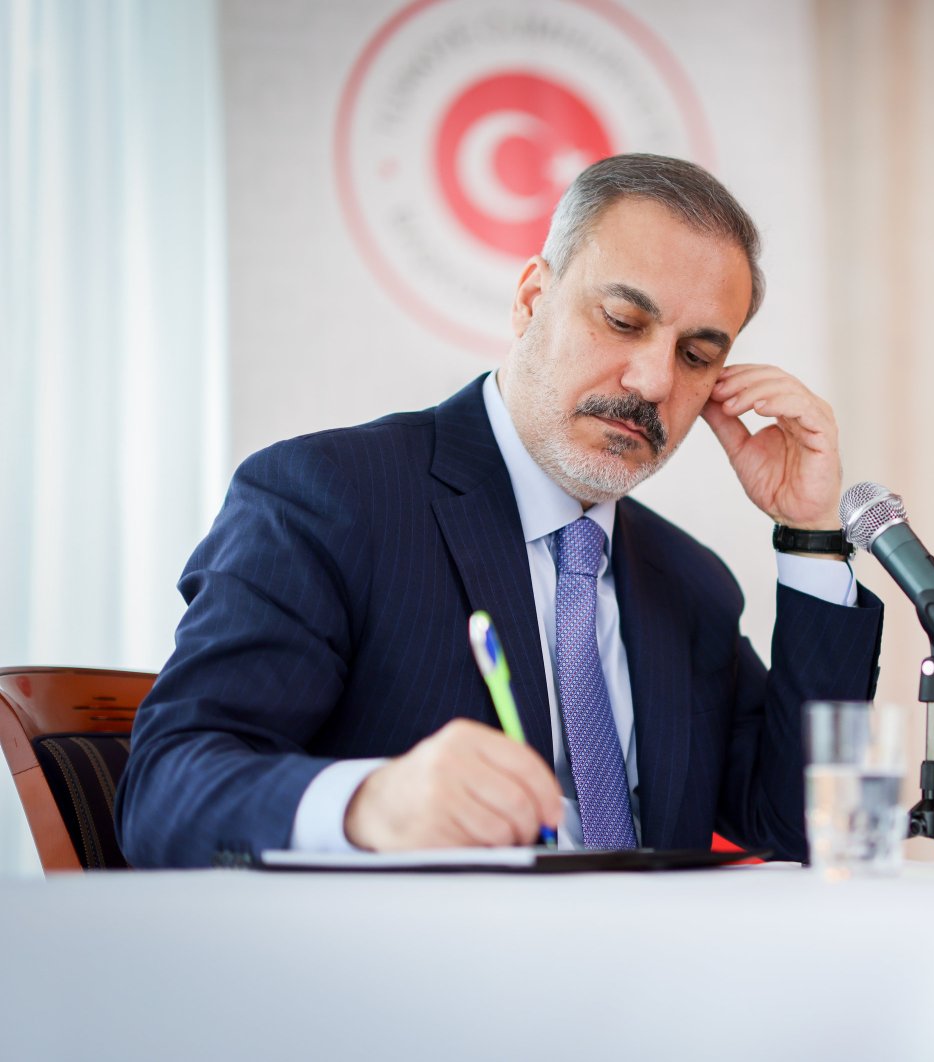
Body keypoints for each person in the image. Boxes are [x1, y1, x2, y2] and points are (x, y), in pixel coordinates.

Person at [115, 154, 884, 868]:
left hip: (653, 997)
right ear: (530, 300)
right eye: (622, 320)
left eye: (696, 356)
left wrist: (811, 536)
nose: (653, 380)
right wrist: (368, 804)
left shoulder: (692, 584)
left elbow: (803, 826)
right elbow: (164, 790)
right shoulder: (329, 498)